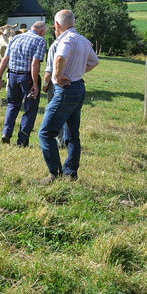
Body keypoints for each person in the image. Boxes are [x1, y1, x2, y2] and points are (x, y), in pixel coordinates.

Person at [37, 10, 99, 183]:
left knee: (46, 133)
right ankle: (71, 173)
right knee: (72, 134)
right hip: (79, 88)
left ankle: (54, 174)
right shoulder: (84, 40)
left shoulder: (66, 39)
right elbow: (94, 61)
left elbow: (59, 58)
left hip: (66, 90)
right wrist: (78, 72)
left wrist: (60, 74)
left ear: (57, 25)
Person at [0, 21, 47, 147]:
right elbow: (35, 63)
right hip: (27, 76)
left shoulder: (15, 38)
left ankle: (6, 133)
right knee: (30, 109)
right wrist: (34, 83)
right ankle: (22, 141)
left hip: (12, 75)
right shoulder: (40, 41)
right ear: (42, 31)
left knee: (12, 105)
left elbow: (5, 59)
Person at [42, 23, 67, 148]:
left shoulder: (55, 45)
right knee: (70, 114)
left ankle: (59, 141)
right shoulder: (80, 42)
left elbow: (49, 70)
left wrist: (45, 84)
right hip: (75, 84)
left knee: (55, 113)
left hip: (57, 84)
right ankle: (69, 141)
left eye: (55, 30)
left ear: (58, 29)